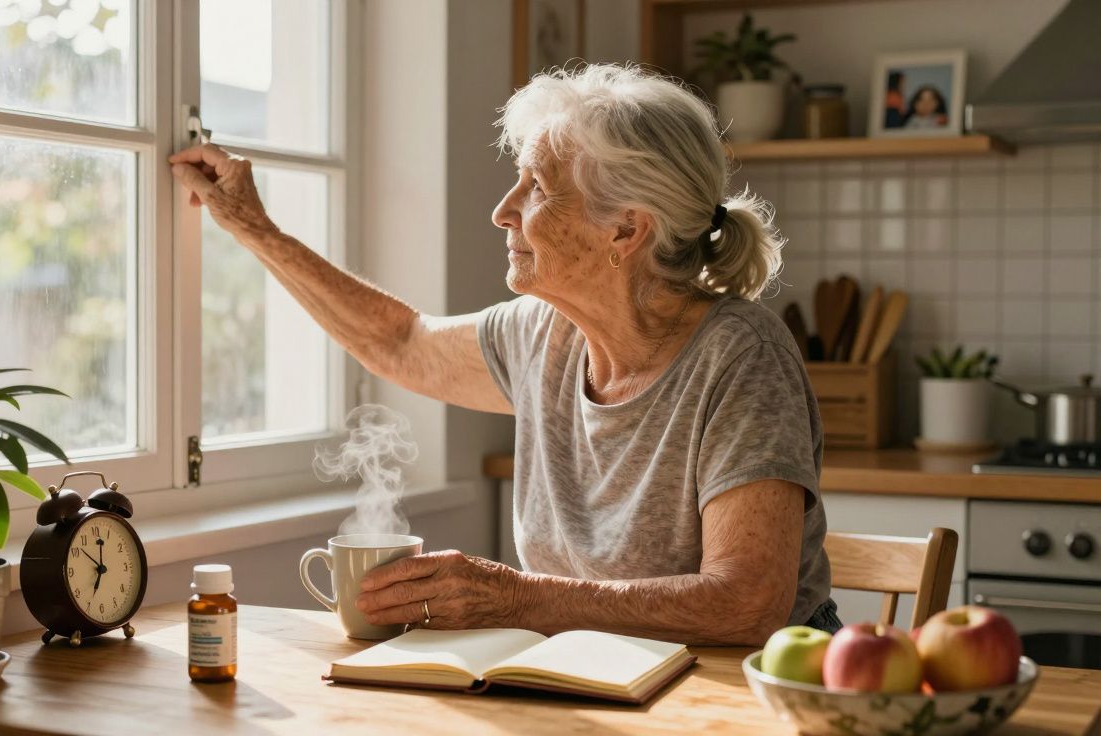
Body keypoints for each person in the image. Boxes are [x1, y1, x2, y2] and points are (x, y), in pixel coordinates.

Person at [168, 63, 837, 646]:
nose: (503, 210)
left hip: (735, 702)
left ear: (626, 228)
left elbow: (746, 604)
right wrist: (254, 228)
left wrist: (518, 599)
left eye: (537, 187)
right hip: (593, 683)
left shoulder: (741, 358)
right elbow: (400, 342)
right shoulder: (542, 334)